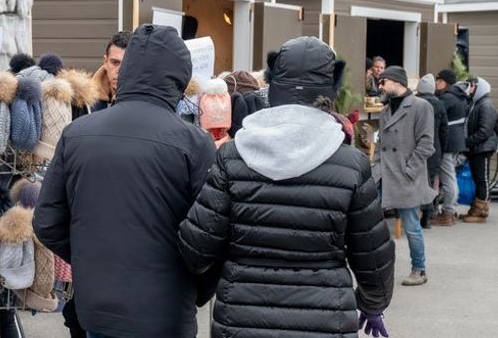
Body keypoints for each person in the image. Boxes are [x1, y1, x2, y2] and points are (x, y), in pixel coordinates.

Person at [178, 37, 395, 338]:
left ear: (273, 85)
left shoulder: (233, 155)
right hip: (326, 319)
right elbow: (373, 255)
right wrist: (371, 303)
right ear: (330, 89)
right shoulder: (351, 164)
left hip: (242, 316)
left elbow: (196, 248)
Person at [34, 24, 217, 338]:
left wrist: (89, 261)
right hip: (166, 310)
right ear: (179, 76)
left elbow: (47, 222)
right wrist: (196, 289)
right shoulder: (193, 142)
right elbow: (211, 234)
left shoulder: (78, 133)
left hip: (98, 309)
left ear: (128, 69)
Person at [377, 65, 435, 286]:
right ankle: (377, 269)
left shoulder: (421, 106)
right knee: (370, 224)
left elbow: (427, 144)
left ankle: (419, 269)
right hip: (384, 175)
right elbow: (381, 144)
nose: (380, 85)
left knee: (411, 226)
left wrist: (409, 170)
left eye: (383, 81)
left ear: (397, 82)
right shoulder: (385, 111)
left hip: (406, 176)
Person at [429, 69, 469, 226]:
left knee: (448, 178)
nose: (436, 84)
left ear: (445, 82)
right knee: (449, 176)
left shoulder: (447, 98)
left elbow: (434, 113)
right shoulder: (459, 96)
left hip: (448, 142)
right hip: (456, 141)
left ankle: (448, 212)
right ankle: (449, 210)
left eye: (438, 81)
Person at [460, 77, 496, 223]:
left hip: (483, 148)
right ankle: (475, 209)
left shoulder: (486, 105)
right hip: (476, 147)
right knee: (477, 178)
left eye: (471, 86)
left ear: (477, 87)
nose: (469, 89)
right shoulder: (475, 103)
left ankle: (481, 212)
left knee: (482, 179)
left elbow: (485, 131)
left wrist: (466, 142)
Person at [416, 74, 448, 228]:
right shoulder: (440, 104)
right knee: (429, 182)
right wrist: (442, 147)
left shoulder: (415, 103)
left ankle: (413, 214)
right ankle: (427, 217)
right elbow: (444, 130)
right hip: (434, 148)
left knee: (416, 179)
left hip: (417, 146)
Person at [91, 30, 130, 112]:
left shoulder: (149, 103)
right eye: (115, 62)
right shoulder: (85, 104)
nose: (120, 70)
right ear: (105, 62)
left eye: (127, 64)